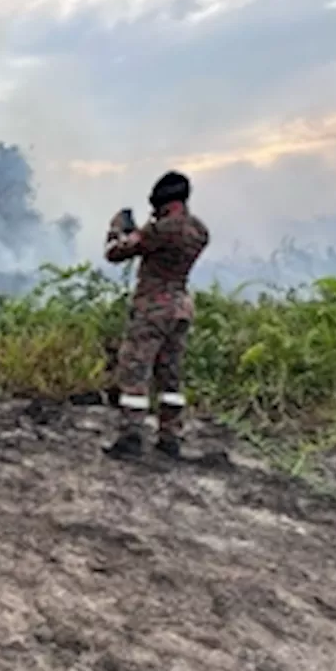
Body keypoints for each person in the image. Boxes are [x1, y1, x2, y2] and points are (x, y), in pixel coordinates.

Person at [103, 170, 210, 459]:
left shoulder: (162, 229)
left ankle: (131, 438)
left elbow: (116, 253)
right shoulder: (199, 230)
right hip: (181, 306)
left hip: (153, 307)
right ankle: (169, 437)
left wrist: (117, 229)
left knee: (135, 369)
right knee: (170, 375)